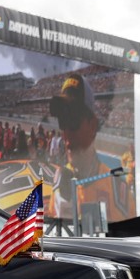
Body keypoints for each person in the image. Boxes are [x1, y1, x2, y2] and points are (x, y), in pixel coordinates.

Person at [46, 73, 133, 221]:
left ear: (92, 125)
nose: (66, 132)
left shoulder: (117, 190)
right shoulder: (59, 181)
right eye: (63, 121)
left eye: (73, 120)